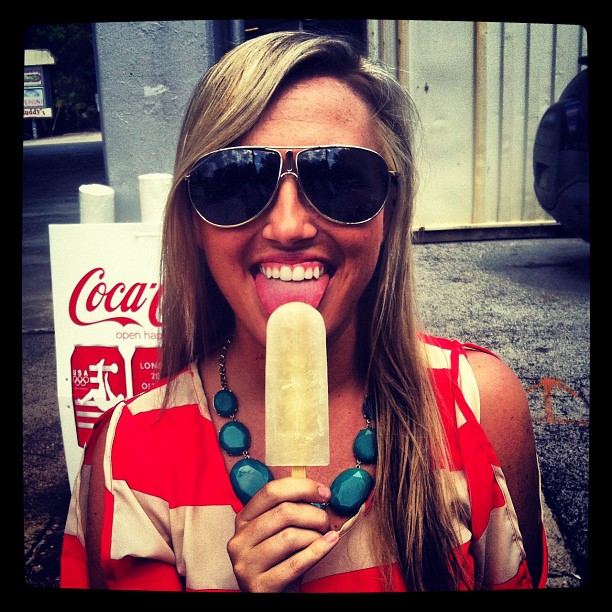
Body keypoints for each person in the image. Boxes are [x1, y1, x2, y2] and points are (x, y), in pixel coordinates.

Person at [60, 30, 547, 592]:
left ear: (390, 213)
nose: (289, 227)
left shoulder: (481, 406)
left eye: (340, 179)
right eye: (236, 180)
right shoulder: (127, 454)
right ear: (192, 221)